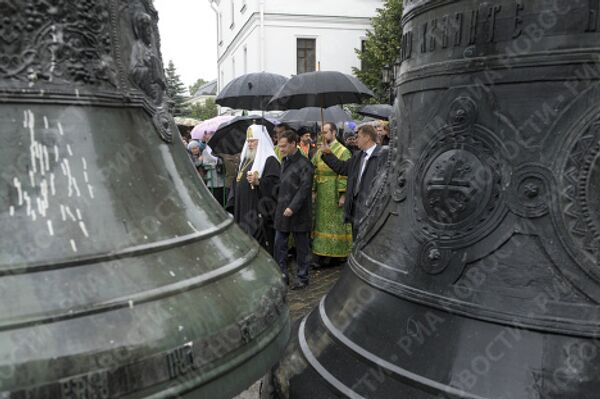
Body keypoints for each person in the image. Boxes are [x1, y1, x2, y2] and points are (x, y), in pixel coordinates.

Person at [320, 124, 388, 239]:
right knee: (356, 239)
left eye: (358, 137)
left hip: (371, 208)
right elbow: (342, 168)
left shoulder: (382, 155)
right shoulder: (358, 156)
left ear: (367, 137)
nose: (356, 140)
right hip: (355, 207)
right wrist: (327, 154)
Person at [226, 125, 280, 252]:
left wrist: (259, 182)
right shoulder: (246, 160)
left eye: (253, 141)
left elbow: (276, 185)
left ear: (261, 142)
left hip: (257, 211)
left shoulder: (270, 160)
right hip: (242, 208)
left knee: (259, 245)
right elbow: (237, 180)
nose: (250, 144)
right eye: (248, 141)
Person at [274, 130, 314, 289]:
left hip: (299, 212)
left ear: (293, 144)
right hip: (282, 210)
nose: (281, 149)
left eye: (283, 146)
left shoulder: (305, 164)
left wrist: (292, 207)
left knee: (302, 247)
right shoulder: (284, 161)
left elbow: (304, 189)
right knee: (279, 244)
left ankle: (303, 277)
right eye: (279, 146)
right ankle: (283, 275)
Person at [311, 122, 353, 267]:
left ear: (334, 133)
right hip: (322, 193)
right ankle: (321, 253)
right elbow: (314, 170)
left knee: (335, 226)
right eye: (321, 132)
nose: (322, 135)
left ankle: (335, 255)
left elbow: (346, 174)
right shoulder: (320, 150)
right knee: (321, 225)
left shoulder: (343, 151)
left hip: (335, 191)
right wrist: (313, 190)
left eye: (325, 132)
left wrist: (343, 194)